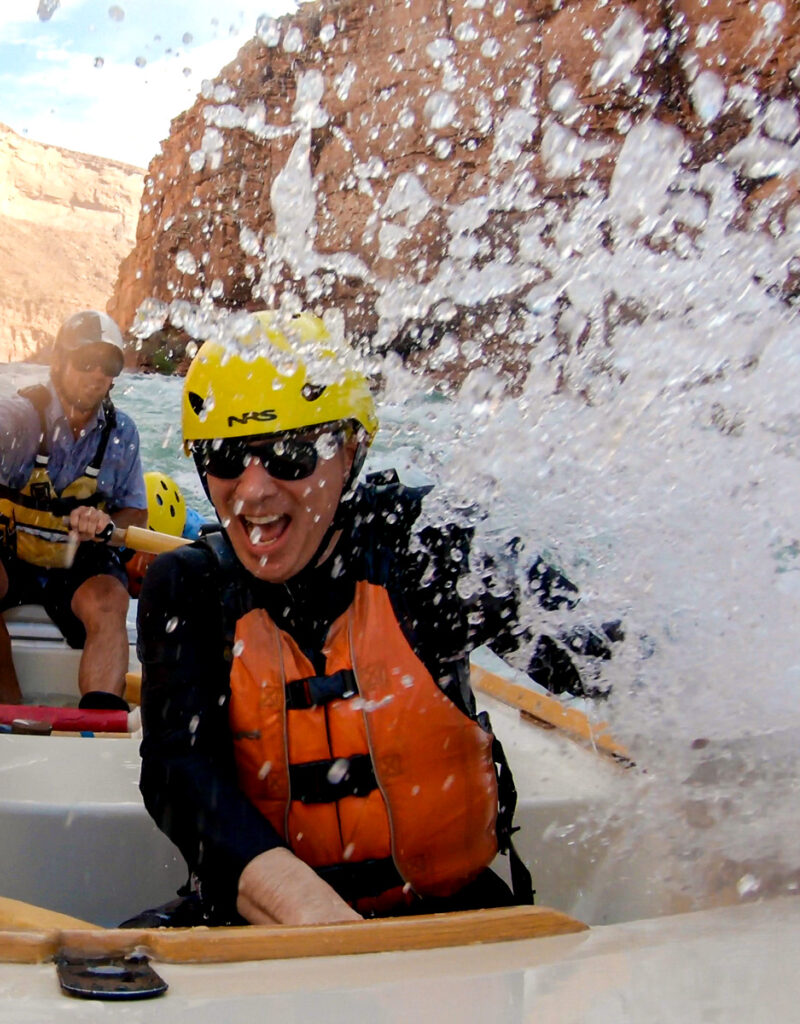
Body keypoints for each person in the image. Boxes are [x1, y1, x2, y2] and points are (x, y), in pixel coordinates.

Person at [135, 310, 615, 927]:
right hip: (264, 926)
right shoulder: (188, 587)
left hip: (450, 920)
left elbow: (599, 657)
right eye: (225, 456)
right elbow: (180, 772)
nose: (251, 492)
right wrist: (310, 912)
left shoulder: (431, 551)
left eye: (288, 452)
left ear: (351, 448)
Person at [0, 310, 147, 708]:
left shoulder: (123, 434)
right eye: (85, 361)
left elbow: (136, 516)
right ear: (59, 363)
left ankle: (99, 716)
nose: (97, 375)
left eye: (108, 365)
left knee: (111, 597)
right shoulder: (23, 413)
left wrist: (107, 522)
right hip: (10, 557)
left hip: (78, 565)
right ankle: (11, 704)